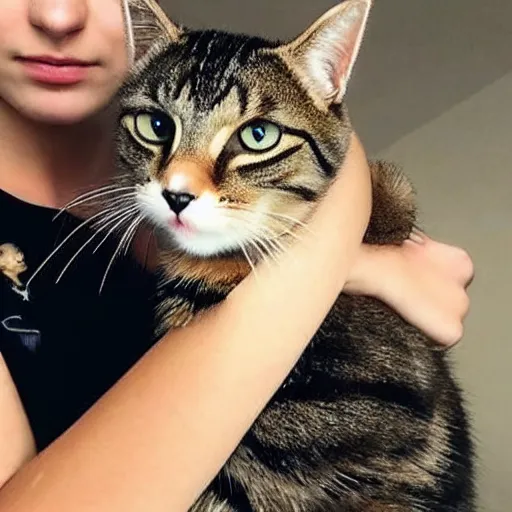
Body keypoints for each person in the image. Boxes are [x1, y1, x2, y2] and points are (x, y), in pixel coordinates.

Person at [0, 0, 474, 510]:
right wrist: (337, 261)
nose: (57, 16)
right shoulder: (334, 208)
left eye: (255, 136)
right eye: (157, 127)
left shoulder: (308, 150)